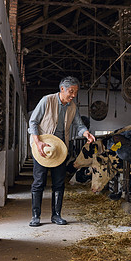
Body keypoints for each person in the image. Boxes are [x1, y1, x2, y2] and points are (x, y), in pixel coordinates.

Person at [28, 76, 95, 227]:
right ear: (62, 89)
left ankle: (56, 215)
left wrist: (86, 133)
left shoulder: (72, 107)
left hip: (60, 149)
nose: (73, 95)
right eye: (71, 92)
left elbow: (79, 125)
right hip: (43, 148)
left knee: (59, 183)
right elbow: (33, 122)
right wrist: (37, 142)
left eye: (75, 92)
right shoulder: (47, 100)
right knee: (39, 182)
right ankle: (35, 216)